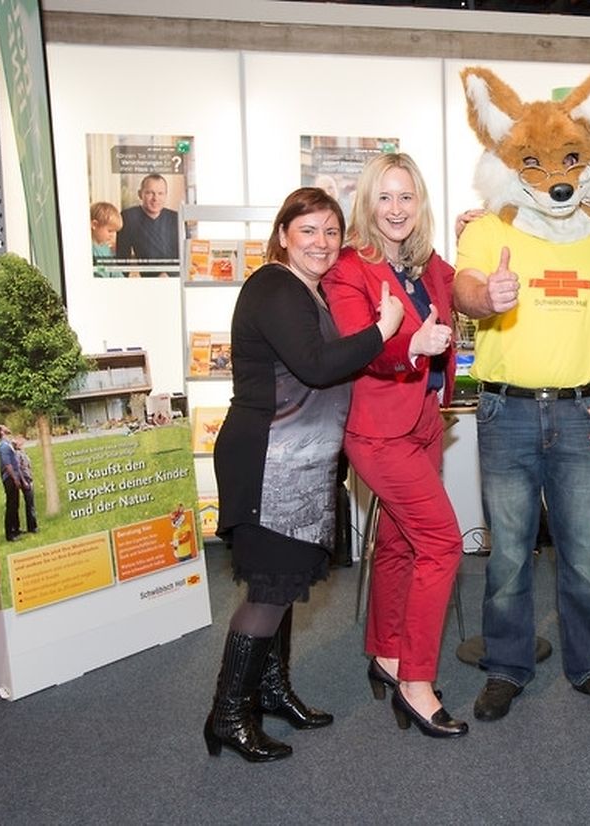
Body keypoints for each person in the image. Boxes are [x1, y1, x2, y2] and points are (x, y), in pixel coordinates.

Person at [204, 187, 404, 762]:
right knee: (269, 590)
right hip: (268, 463)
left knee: (286, 583)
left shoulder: (307, 291)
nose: (322, 242)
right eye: (308, 230)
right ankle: (227, 715)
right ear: (283, 235)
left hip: (299, 464)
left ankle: (269, 690)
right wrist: (383, 329)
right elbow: (316, 366)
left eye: (331, 231)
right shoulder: (274, 286)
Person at [453, 196, 590, 724]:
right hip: (505, 411)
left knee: (582, 553)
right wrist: (487, 296)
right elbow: (463, 290)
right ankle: (506, 667)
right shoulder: (489, 226)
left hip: (583, 412)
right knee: (509, 553)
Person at [321, 153, 468, 739]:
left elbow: (469, 291)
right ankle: (415, 682)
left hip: (426, 419)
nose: (396, 208)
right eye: (385, 196)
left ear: (420, 202)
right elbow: (361, 345)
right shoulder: (348, 269)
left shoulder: (427, 265)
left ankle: (386, 652)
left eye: (406, 196)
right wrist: (411, 346)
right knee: (443, 543)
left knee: (399, 543)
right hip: (379, 431)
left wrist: (474, 242)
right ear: (367, 203)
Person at [115, 173, 179, 265]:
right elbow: (122, 258)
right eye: (150, 193)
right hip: (146, 273)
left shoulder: (176, 218)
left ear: (166, 195)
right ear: (140, 194)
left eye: (160, 193)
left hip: (175, 273)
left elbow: (186, 257)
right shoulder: (128, 217)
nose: (155, 198)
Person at [0, 425, 22, 542]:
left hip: (13, 477)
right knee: (11, 505)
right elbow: (7, 464)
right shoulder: (3, 446)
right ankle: (9, 534)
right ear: (1, 432)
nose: (7, 427)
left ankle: (16, 529)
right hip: (9, 478)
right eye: (4, 427)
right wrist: (15, 478)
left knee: (15, 504)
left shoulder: (8, 444)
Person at [12, 436, 38, 536]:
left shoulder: (22, 453)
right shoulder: (18, 454)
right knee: (30, 504)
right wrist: (24, 481)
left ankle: (32, 526)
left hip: (28, 479)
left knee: (30, 504)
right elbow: (18, 468)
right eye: (21, 442)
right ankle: (32, 527)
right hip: (25, 480)